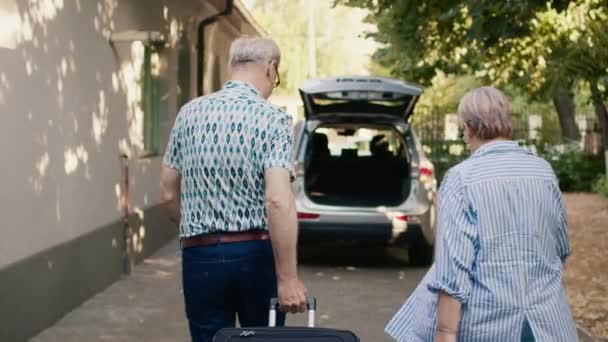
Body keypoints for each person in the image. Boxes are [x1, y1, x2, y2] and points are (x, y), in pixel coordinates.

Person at [385, 86, 577, 342]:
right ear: (507, 122)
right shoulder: (544, 172)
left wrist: (445, 333)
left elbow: (453, 272)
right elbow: (561, 248)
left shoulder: (461, 179)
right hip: (548, 325)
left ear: (468, 127)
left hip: (486, 326)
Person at [160, 37, 307, 342]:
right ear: (271, 69)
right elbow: (278, 200)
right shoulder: (273, 119)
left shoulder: (189, 114)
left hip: (199, 255)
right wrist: (288, 278)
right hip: (255, 254)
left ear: (232, 66)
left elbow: (168, 193)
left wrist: (198, 228)